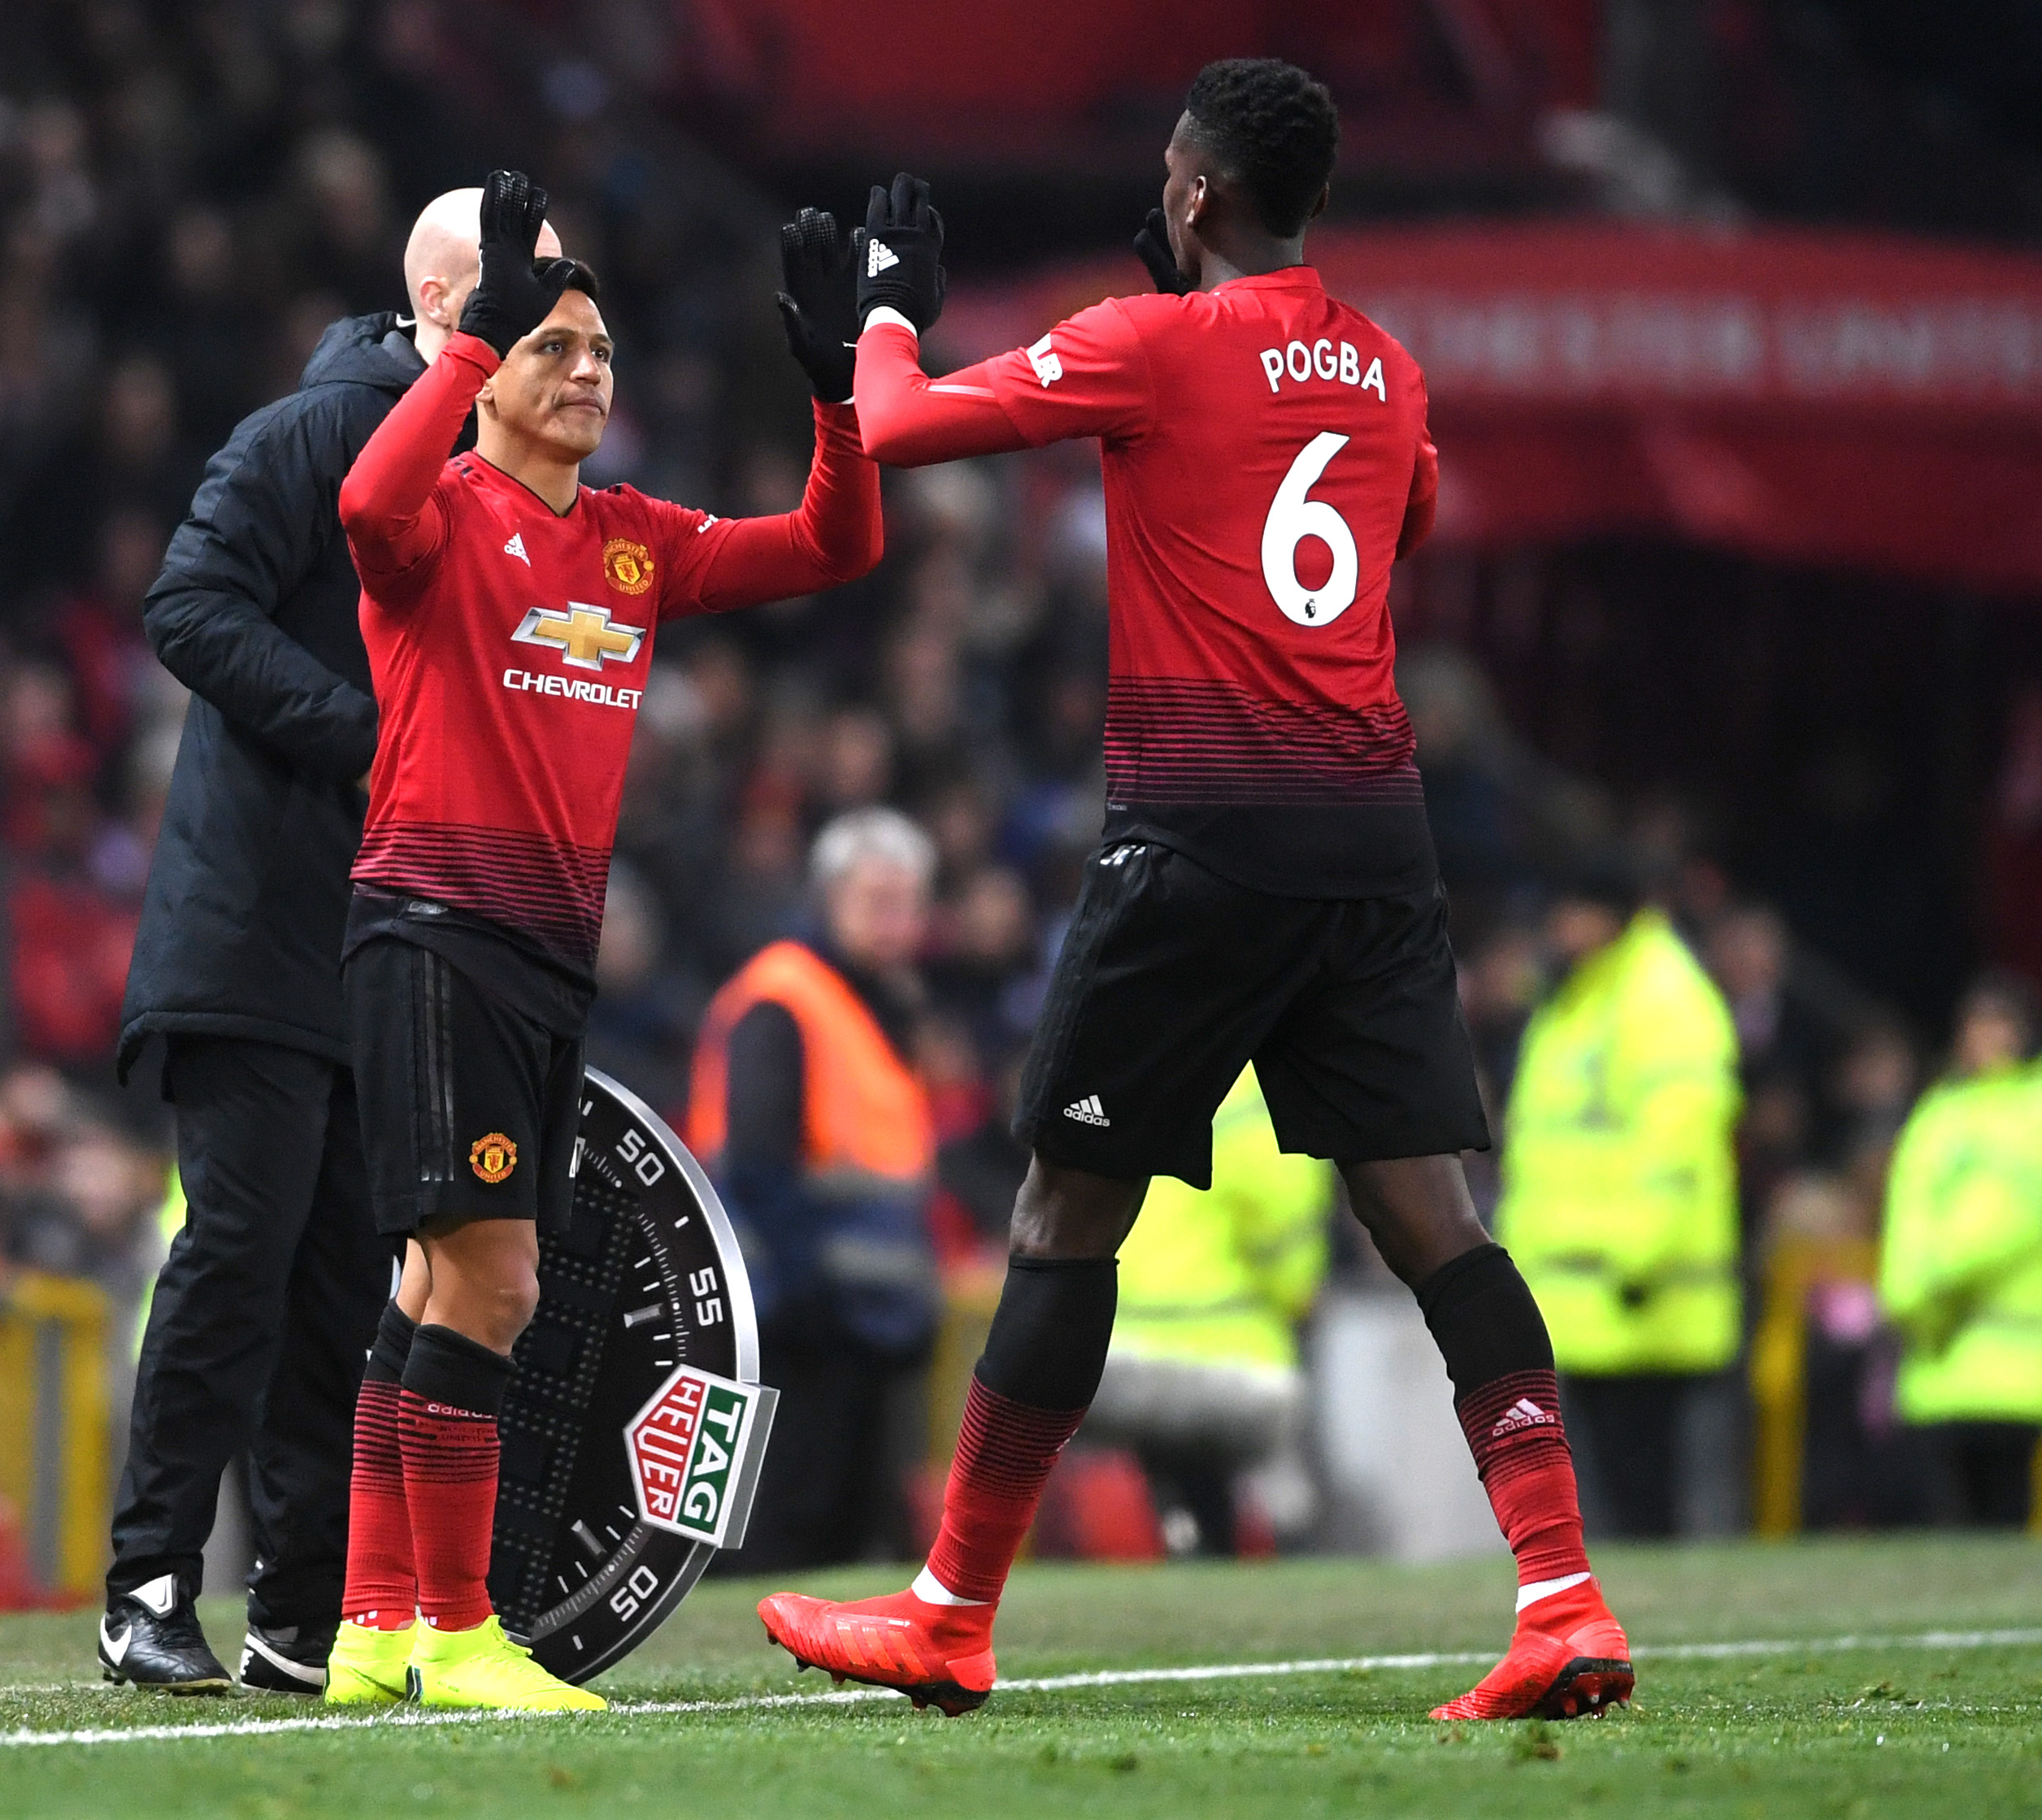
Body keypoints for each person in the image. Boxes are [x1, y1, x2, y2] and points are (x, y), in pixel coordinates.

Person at [756, 58, 1635, 1725]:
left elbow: (902, 420)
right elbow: (1406, 517)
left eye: (1171, 176)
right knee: (1435, 1218)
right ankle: (1563, 1597)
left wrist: (881, 313)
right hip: (1373, 838)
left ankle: (950, 1611)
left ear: (1196, 194)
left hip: (1206, 835)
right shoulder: (1386, 371)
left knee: (1061, 1217)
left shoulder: (1148, 338)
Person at [322, 174, 881, 1713]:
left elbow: (834, 545)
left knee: (431, 1289)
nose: (583, 372)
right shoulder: (435, 516)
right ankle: (457, 1632)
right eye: (551, 347)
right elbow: (359, 507)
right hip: (436, 928)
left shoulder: (635, 545)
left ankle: (376, 1625)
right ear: (488, 362)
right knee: (496, 1288)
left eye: (601, 353)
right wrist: (463, 340)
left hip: (538, 952)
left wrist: (832, 391)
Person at [101, 188, 562, 1695]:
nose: (566, 325)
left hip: (389, 935)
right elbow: (186, 605)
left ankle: (303, 1613)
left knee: (342, 1288)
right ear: (445, 302)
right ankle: (150, 1582)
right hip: (250, 927)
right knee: (238, 1256)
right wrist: (372, 738)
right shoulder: (317, 432)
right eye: (531, 293)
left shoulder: (500, 479)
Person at [687, 808, 941, 1573]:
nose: (896, 921)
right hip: (794, 1322)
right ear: (828, 896)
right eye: (876, 900)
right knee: (784, 1532)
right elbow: (757, 1166)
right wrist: (809, 1290)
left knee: (841, 1535)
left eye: (908, 901)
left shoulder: (881, 1003)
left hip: (861, 1328)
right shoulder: (785, 998)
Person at [1497, 862, 1741, 1539]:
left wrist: (1638, 1258)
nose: (1560, 928)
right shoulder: (1578, 996)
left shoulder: (1659, 995)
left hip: (1640, 1292)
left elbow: (1679, 1142)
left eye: (1574, 911)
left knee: (1644, 1495)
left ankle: (1661, 1621)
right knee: (1611, 1496)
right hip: (1584, 1294)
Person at [1879, 973, 2042, 1527]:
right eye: (1974, 1023)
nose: (1983, 1037)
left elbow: (2009, 1215)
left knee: (2002, 1514)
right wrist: (1907, 1291)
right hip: (1938, 1357)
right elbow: (1906, 1213)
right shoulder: (1939, 1112)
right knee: (1947, 1528)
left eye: (1998, 1023)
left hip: (2016, 1355)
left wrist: (1927, 1278)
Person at [1084, 1066, 1329, 1556]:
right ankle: (1283, 1558)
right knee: (1284, 1501)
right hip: (1231, 1360)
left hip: (1121, 1350)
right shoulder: (1251, 1092)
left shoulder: (1144, 1065)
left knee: (1180, 1492)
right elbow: (1280, 1218)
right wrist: (1297, 1294)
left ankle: (1182, 1540)